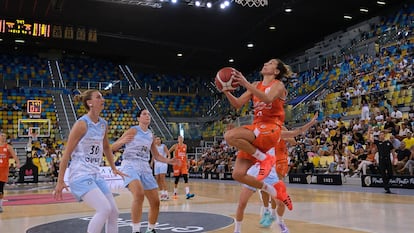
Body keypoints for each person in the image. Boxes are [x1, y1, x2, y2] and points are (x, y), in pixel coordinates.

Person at [53, 90, 127, 233]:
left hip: (95, 174)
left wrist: (113, 167)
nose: (103, 99)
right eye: (98, 97)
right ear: (90, 103)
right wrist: (60, 180)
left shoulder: (103, 124)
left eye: (102, 97)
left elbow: (106, 147)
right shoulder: (81, 124)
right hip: (80, 174)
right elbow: (66, 154)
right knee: (104, 209)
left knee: (114, 212)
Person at [223, 58, 292, 208]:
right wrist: (226, 90)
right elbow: (237, 104)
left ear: (276, 71)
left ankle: (264, 159)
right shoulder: (255, 85)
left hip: (272, 128)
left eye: (271, 63)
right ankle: (273, 190)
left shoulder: (278, 85)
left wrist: (245, 83)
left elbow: (267, 99)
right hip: (258, 128)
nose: (266, 63)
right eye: (266, 62)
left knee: (230, 135)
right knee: (238, 174)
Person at [233, 115, 318, 233]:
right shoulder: (253, 134)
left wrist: (311, 123)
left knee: (281, 203)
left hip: (271, 172)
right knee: (242, 203)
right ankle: (237, 230)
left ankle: (280, 222)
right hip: (255, 170)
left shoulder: (277, 132)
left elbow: (295, 133)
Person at [111, 109, 180, 233]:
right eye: (144, 114)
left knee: (155, 202)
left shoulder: (150, 135)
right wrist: (122, 141)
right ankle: (136, 230)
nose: (147, 116)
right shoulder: (133, 130)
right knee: (138, 194)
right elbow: (113, 147)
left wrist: (169, 161)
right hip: (130, 164)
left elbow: (157, 156)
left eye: (149, 114)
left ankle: (151, 229)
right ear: (138, 118)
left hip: (145, 166)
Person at [169, 135, 195, 199]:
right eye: (179, 138)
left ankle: (187, 193)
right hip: (177, 165)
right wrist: (170, 158)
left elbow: (185, 155)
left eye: (181, 138)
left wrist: (187, 162)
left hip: (183, 164)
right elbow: (168, 151)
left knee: (185, 178)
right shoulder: (175, 146)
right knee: (176, 179)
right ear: (177, 140)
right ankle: (175, 192)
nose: (180, 139)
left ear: (183, 139)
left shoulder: (185, 146)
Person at [0, 132, 21, 213]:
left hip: (3, 171)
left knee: (0, 189)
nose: (3, 137)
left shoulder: (8, 147)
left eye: (4, 136)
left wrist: (18, 162)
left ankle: (0, 206)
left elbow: (15, 156)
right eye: (2, 135)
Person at [153, 136, 171, 201]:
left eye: (158, 139)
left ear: (160, 140)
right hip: (156, 163)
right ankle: (162, 193)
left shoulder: (163, 146)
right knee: (157, 179)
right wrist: (152, 162)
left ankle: (166, 194)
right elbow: (153, 155)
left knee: (162, 179)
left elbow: (168, 154)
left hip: (163, 163)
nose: (157, 140)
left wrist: (168, 159)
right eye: (156, 139)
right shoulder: (154, 147)